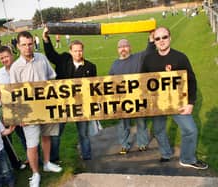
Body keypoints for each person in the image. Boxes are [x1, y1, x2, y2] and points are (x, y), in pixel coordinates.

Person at [141, 26, 208, 169]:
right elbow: (142, 82)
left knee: (190, 130)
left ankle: (187, 159)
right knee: (158, 130)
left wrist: (190, 103)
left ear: (170, 38)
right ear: (154, 41)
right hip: (158, 104)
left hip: (178, 103)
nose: (161, 41)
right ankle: (166, 153)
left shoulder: (180, 57)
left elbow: (191, 80)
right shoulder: (148, 59)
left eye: (164, 37)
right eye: (157, 38)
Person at [10, 31, 62, 187]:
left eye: (30, 44)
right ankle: (35, 173)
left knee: (47, 136)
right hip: (29, 112)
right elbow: (14, 93)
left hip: (46, 107)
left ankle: (46, 162)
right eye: (24, 45)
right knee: (32, 144)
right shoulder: (15, 67)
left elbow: (51, 79)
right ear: (18, 46)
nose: (27, 47)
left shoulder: (42, 58)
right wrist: (20, 116)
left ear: (34, 43)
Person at [42, 26, 97, 162]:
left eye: (80, 50)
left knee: (83, 134)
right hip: (63, 105)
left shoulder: (90, 67)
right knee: (56, 133)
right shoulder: (64, 60)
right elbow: (51, 55)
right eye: (75, 51)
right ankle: (54, 159)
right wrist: (46, 39)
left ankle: (87, 156)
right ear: (70, 51)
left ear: (83, 51)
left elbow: (93, 89)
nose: (78, 53)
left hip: (81, 106)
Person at [109, 35, 155, 154]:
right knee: (123, 124)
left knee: (141, 122)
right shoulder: (114, 64)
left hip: (138, 97)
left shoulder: (138, 57)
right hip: (122, 100)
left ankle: (142, 143)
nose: (123, 49)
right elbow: (109, 83)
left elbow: (150, 52)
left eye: (125, 46)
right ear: (117, 49)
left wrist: (150, 39)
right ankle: (124, 145)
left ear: (130, 47)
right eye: (120, 47)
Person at [0, 80, 26, 170]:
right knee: (8, 146)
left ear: (0, 90)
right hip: (2, 128)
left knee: (24, 138)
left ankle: (31, 157)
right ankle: (15, 164)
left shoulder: (7, 99)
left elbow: (15, 110)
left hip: (13, 122)